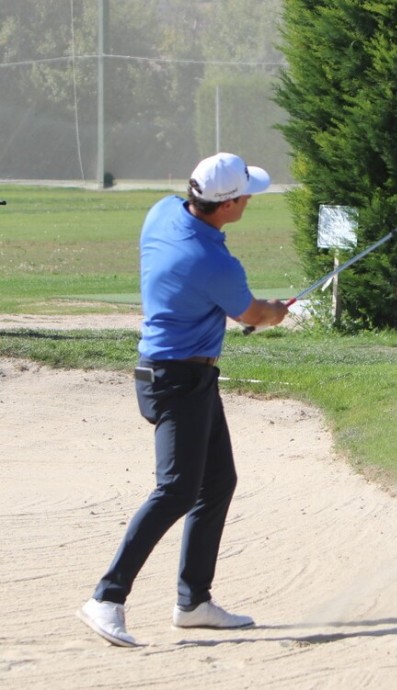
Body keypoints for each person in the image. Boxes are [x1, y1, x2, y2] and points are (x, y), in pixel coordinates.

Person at [77, 152, 289, 647]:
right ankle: (106, 598)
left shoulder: (163, 212)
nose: (250, 201)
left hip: (180, 376)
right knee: (175, 489)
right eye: (246, 196)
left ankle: (193, 602)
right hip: (177, 381)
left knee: (217, 480)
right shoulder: (213, 261)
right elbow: (253, 314)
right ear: (229, 204)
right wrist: (275, 312)